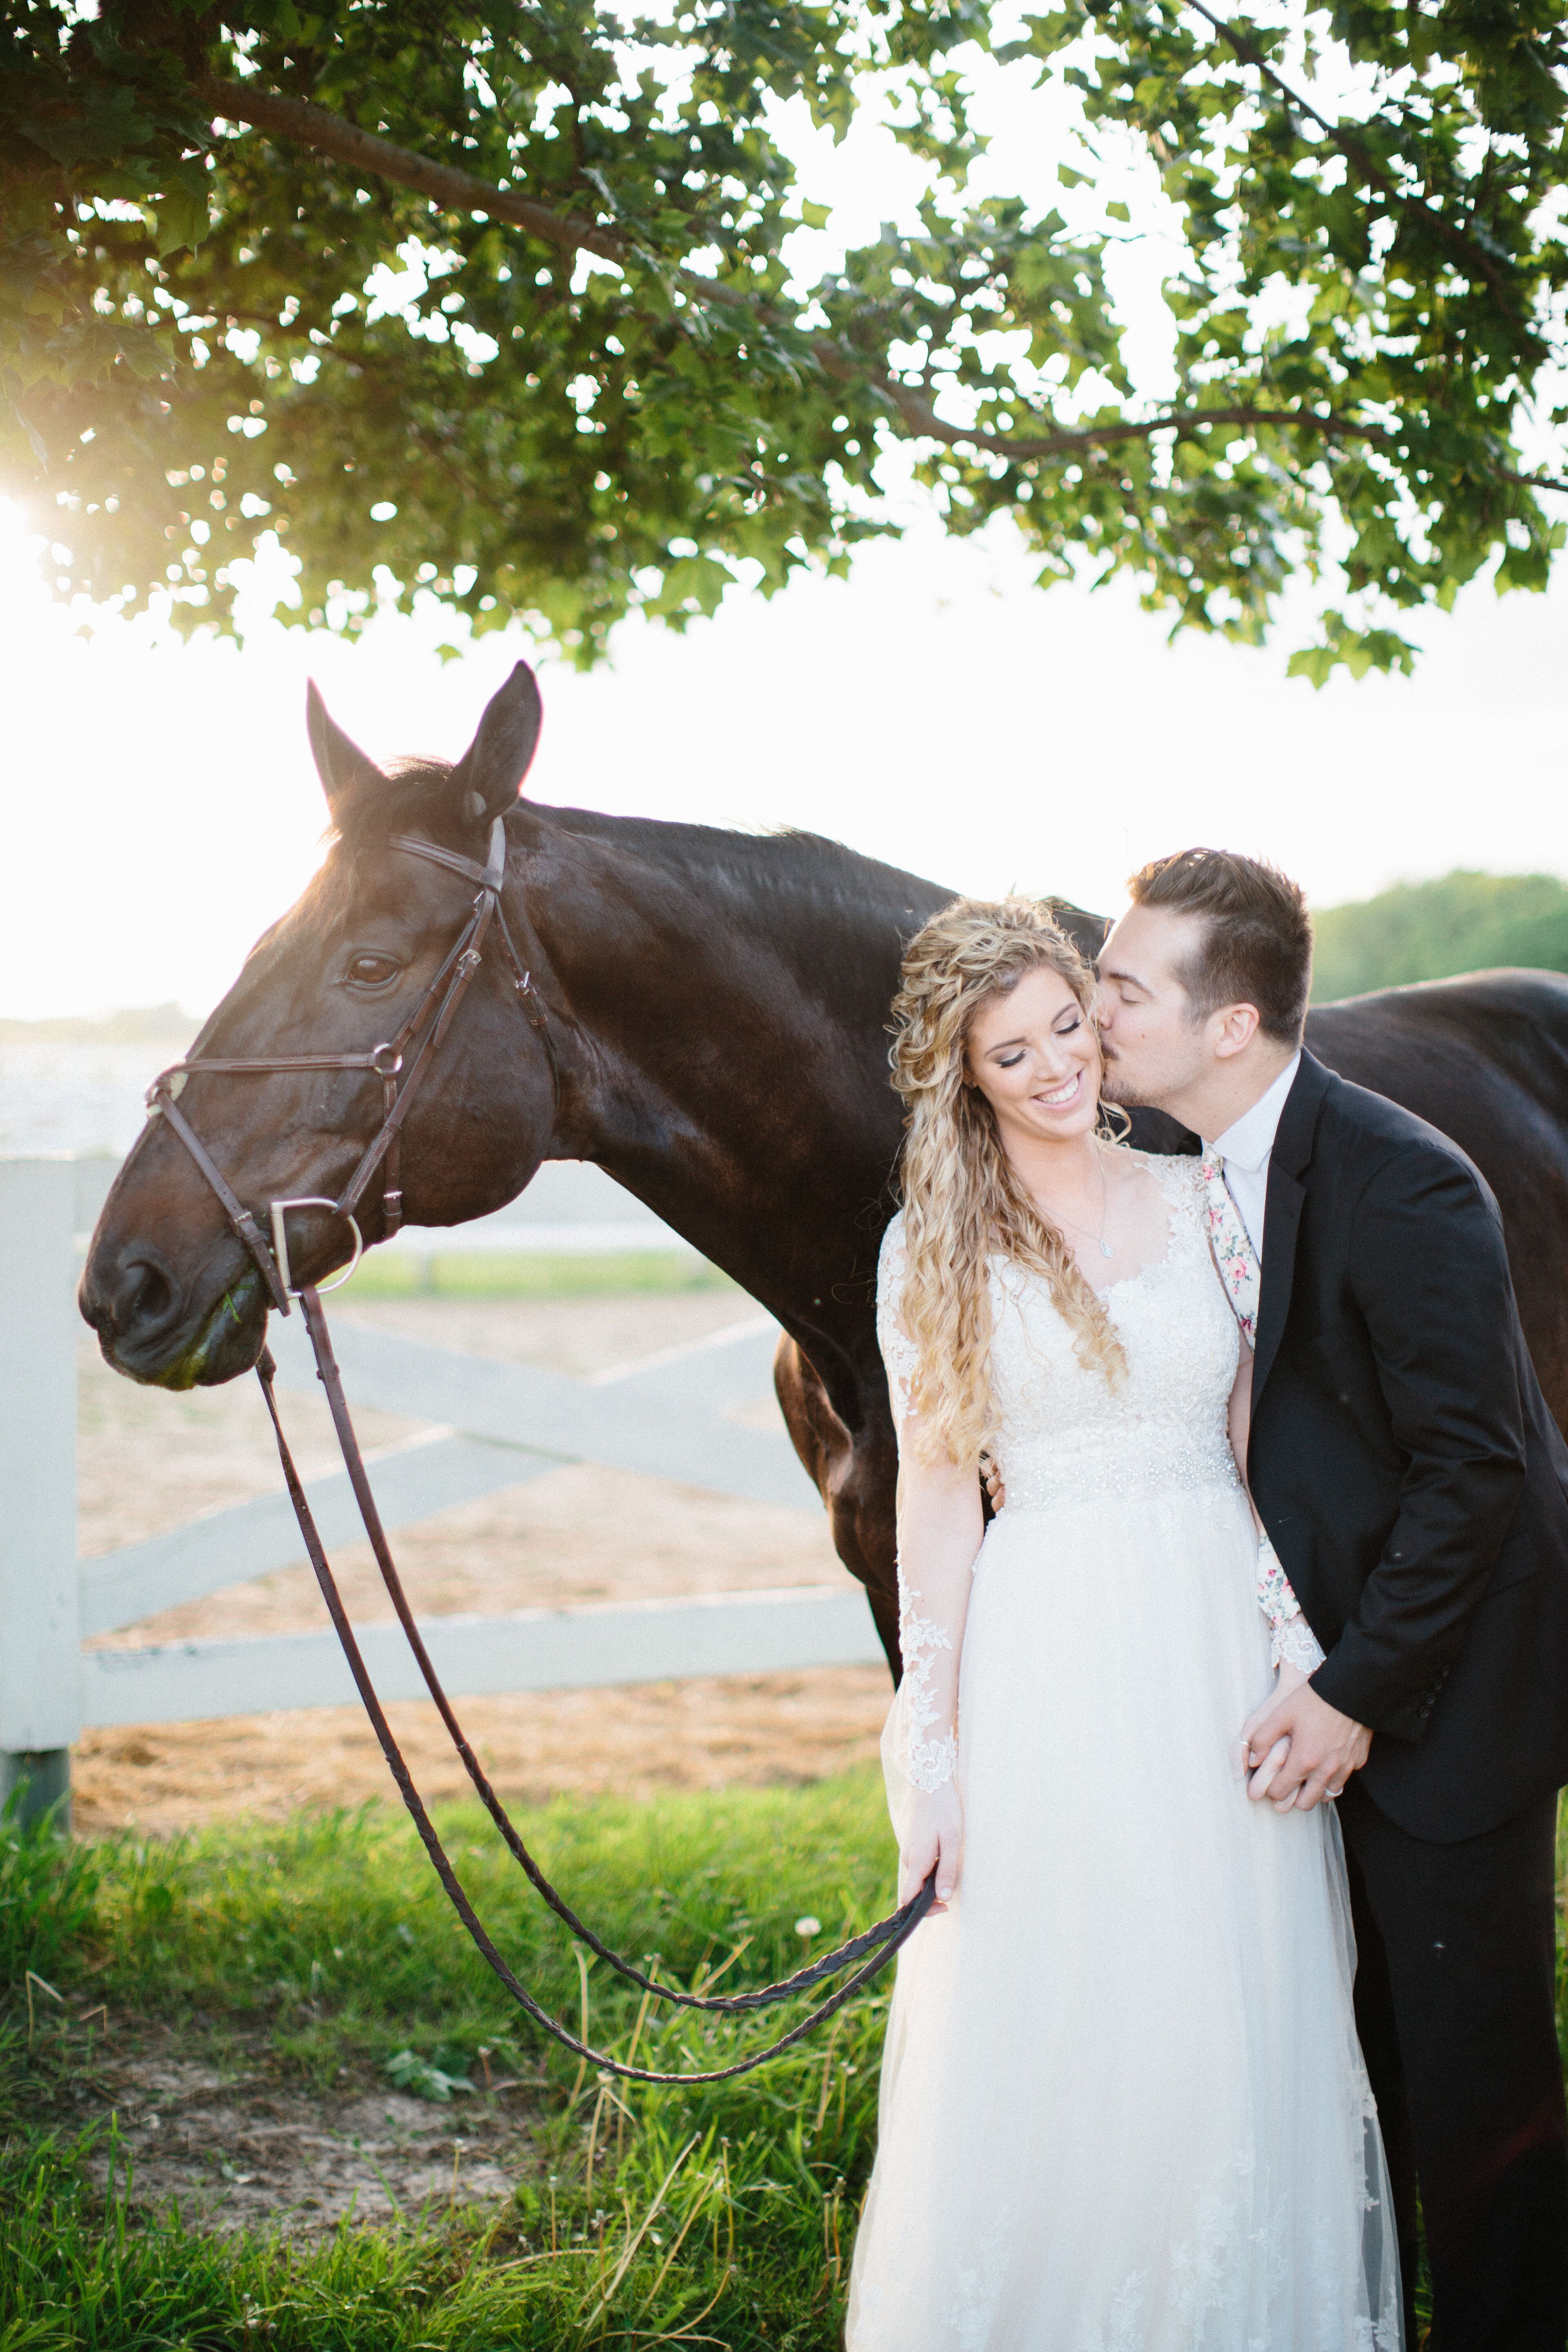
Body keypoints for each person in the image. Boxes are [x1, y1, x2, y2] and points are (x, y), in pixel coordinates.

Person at [845, 895, 1403, 2351]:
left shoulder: (1208, 1195)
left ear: (1099, 1020)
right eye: (1007, 1052)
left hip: (1215, 1629)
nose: (1051, 1068)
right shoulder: (936, 1248)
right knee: (1062, 1991)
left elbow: (1252, 1439)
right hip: (1051, 1645)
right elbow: (938, 1499)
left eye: (1064, 1027)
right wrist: (936, 1730)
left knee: (1224, 1996)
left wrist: (1302, 1649)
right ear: (963, 1075)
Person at [1094, 849, 1568, 2350]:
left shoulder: (1404, 1179)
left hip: (1452, 1695)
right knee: (1347, 2056)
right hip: (1295, 1684)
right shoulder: (1174, 1170)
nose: (1092, 1010)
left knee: (1475, 2077)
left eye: (1120, 987)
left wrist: (1359, 1692)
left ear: (1228, 1026)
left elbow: (1477, 1475)